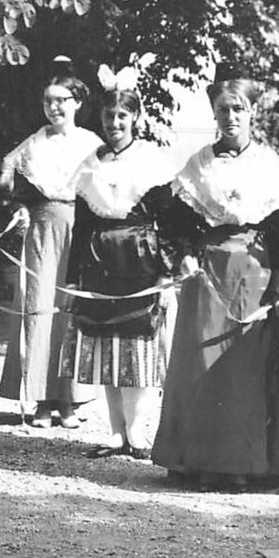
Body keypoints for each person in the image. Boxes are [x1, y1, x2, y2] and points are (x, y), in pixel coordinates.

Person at [150, 73, 279, 488]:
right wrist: (181, 254)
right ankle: (196, 461)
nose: (231, 116)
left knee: (243, 369)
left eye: (239, 109)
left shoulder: (269, 165)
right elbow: (174, 222)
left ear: (253, 112)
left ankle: (243, 464)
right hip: (207, 275)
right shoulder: (198, 165)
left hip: (254, 274)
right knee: (202, 363)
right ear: (214, 114)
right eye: (223, 109)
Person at [63, 63, 181, 461]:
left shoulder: (152, 161)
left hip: (141, 260)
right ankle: (115, 431)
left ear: (136, 117)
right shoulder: (90, 163)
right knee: (105, 344)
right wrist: (74, 277)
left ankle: (137, 429)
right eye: (109, 116)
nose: (115, 123)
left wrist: (167, 271)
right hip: (100, 261)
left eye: (123, 116)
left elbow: (169, 220)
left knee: (140, 344)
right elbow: (81, 226)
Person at [0, 57, 103, 429]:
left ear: (77, 103)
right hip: (41, 232)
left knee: (71, 310)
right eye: (48, 101)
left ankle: (69, 401)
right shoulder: (34, 143)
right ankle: (41, 399)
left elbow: (105, 193)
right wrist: (21, 205)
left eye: (62, 100)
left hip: (79, 231)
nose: (54, 107)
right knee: (39, 309)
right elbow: (8, 180)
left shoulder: (92, 144)